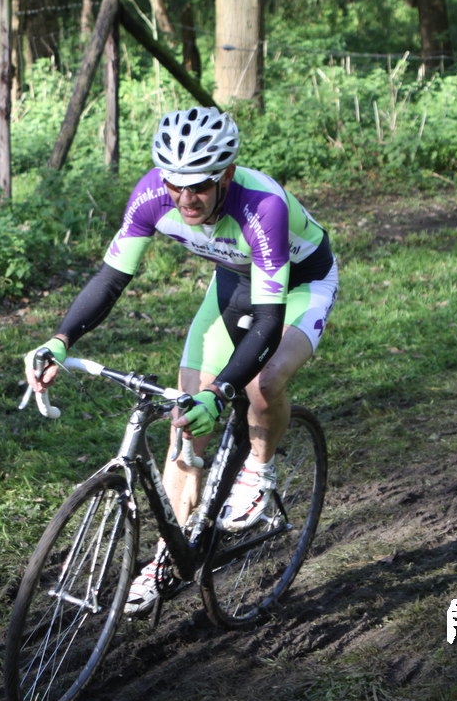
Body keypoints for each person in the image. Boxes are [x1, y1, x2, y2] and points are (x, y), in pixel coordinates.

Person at [23, 106, 338, 613]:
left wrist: (220, 392)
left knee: (262, 382)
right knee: (185, 427)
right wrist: (61, 340)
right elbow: (110, 279)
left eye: (199, 187)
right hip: (234, 282)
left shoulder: (263, 206)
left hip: (300, 287)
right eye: (175, 184)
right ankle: (168, 559)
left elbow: (268, 321)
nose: (185, 199)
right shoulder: (152, 195)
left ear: (226, 175)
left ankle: (259, 471)